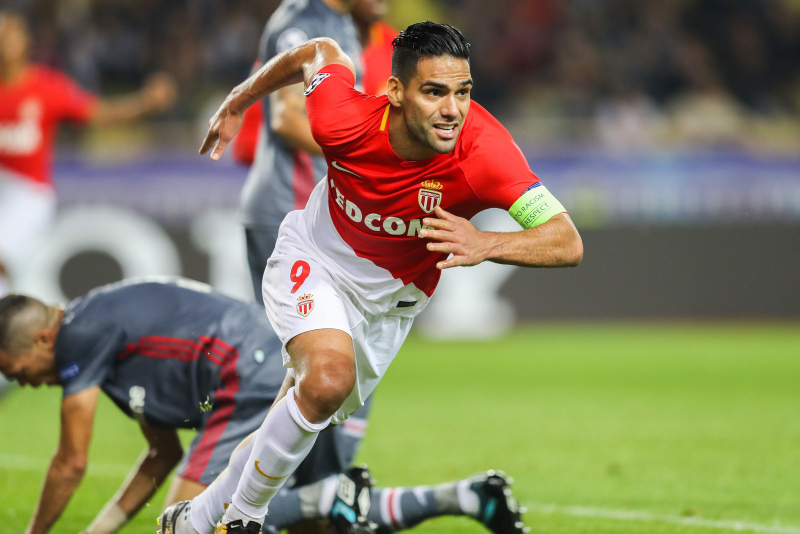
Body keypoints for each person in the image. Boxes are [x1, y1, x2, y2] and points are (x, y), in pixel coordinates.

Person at [178, 20, 582, 534]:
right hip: (316, 258)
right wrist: (242, 98)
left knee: (296, 408)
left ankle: (193, 520)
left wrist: (487, 244)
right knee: (327, 379)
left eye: (462, 92)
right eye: (434, 92)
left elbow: (566, 240)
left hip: (388, 307)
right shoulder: (341, 119)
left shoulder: (486, 153)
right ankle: (243, 520)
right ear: (395, 91)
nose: (452, 109)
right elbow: (316, 51)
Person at [0, 278, 526, 534]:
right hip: (260, 363)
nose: (22, 383)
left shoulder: (79, 339)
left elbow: (70, 463)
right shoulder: (105, 344)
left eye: (15, 370)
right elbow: (162, 455)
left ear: (43, 340)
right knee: (306, 527)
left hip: (245, 371)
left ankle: (325, 497)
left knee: (188, 527)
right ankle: (466, 496)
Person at [0, 10, 177, 297]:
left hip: (27, 193)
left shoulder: (45, 87)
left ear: (25, 41)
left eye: (11, 34)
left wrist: (145, 103)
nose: (4, 41)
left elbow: (100, 113)